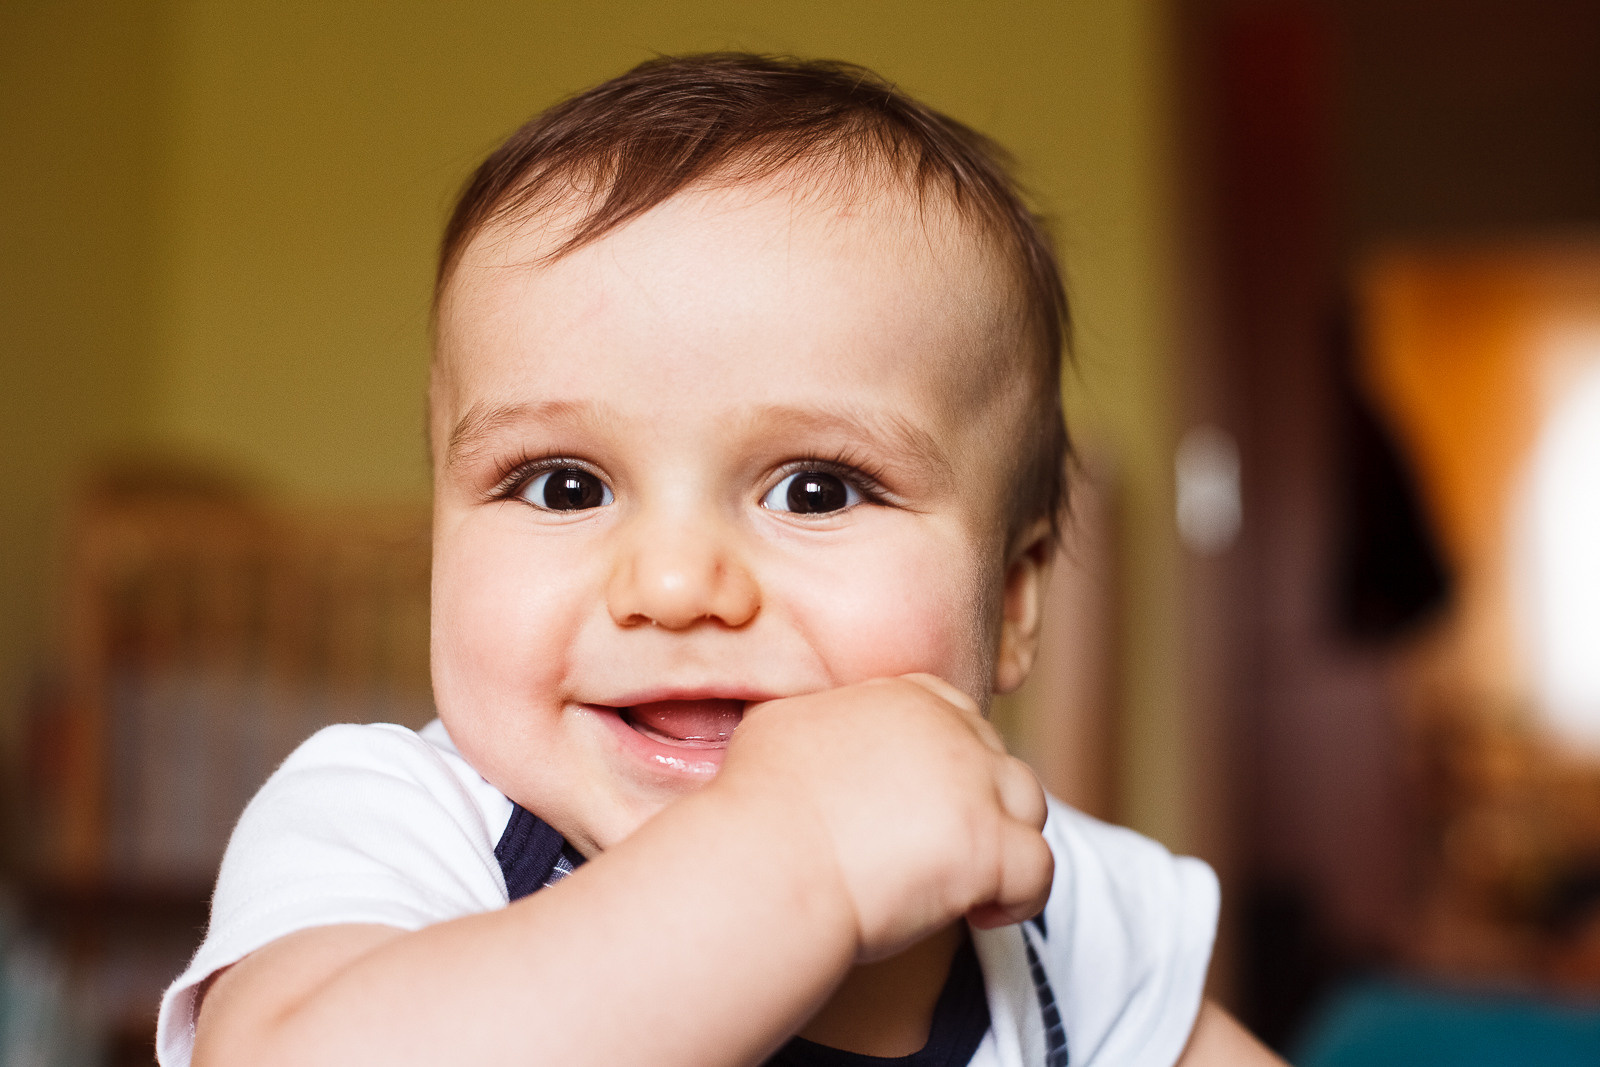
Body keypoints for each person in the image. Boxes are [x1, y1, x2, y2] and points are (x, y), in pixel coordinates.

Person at [157, 53, 1283, 1067]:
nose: (673, 583)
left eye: (815, 488)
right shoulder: (401, 830)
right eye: (564, 484)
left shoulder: (1064, 906)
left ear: (1015, 595)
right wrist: (793, 860)